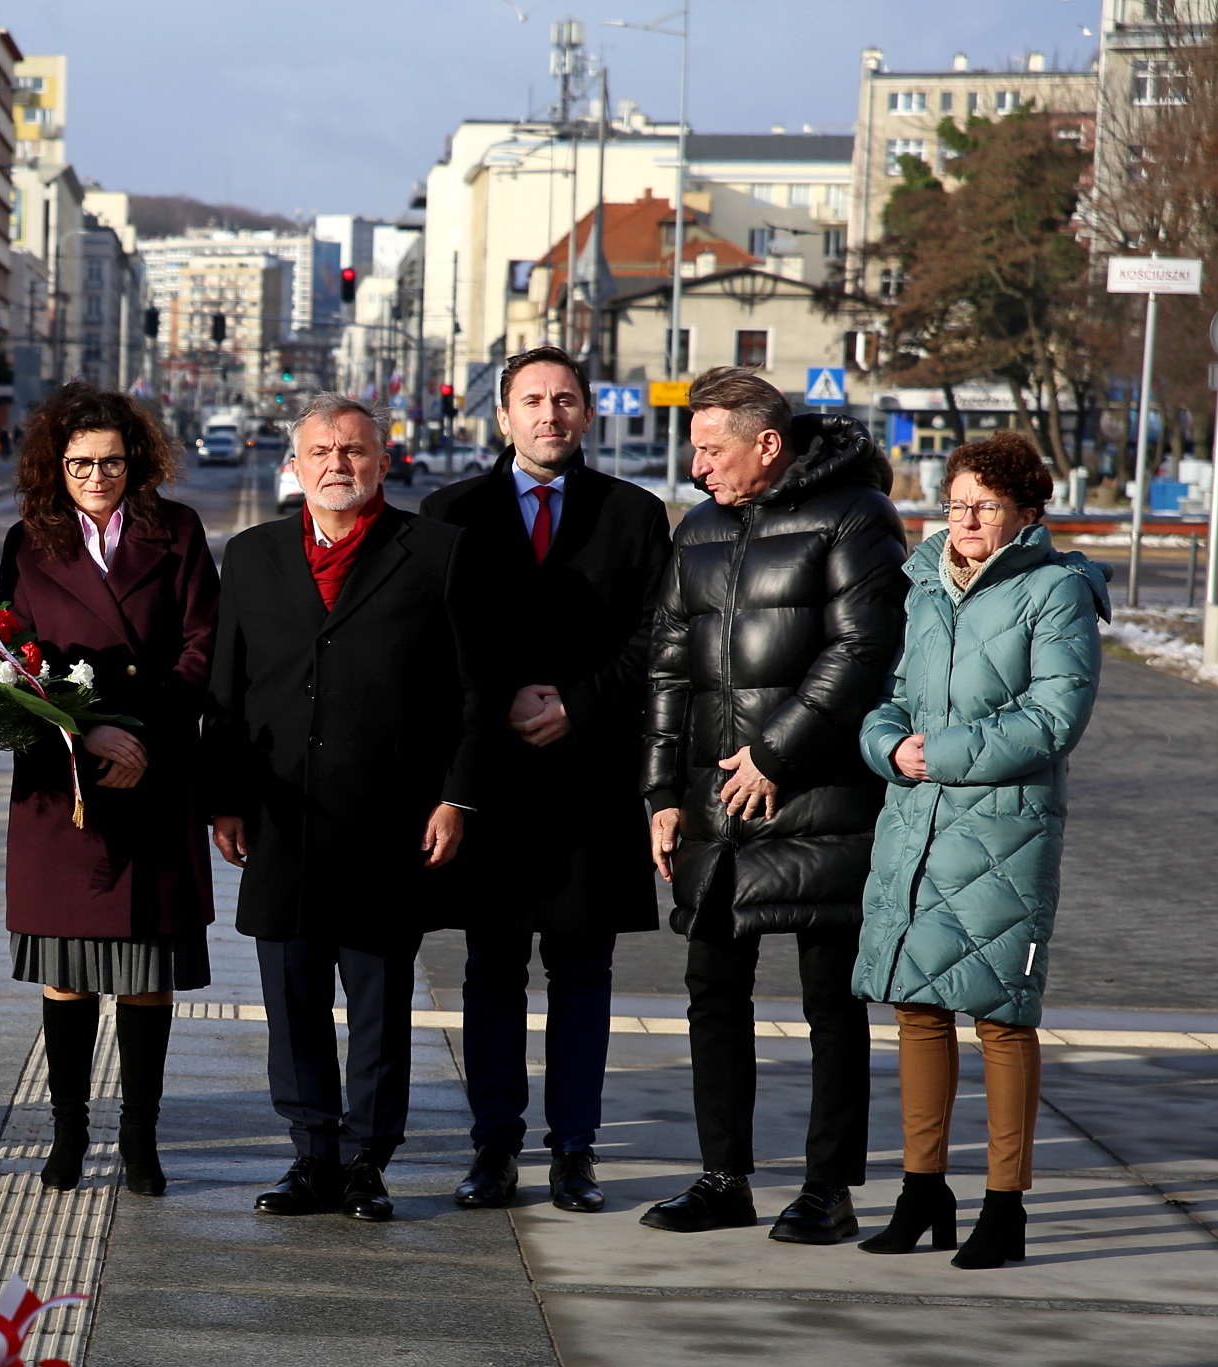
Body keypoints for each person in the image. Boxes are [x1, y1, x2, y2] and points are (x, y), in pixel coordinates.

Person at [640, 368, 907, 1242]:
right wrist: (659, 792)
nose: (696, 465)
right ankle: (723, 1176)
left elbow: (860, 651)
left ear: (766, 443)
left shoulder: (853, 515)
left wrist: (771, 753)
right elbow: (669, 668)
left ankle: (828, 1187)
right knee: (712, 990)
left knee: (831, 1001)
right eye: (692, 447)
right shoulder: (701, 526)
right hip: (715, 803)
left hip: (821, 796)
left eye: (710, 448)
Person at [207, 393, 478, 1224]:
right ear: (295, 464)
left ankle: (367, 1159)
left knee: (378, 1001)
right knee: (289, 997)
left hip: (386, 818)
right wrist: (222, 798)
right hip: (280, 818)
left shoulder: (435, 552)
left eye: (354, 450)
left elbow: (471, 693)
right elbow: (224, 689)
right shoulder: (251, 555)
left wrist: (455, 794)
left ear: (381, 461)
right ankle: (310, 1155)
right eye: (320, 450)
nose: (337, 464)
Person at [421, 345, 673, 1215]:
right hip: (487, 780)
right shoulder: (450, 513)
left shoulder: (634, 514)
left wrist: (578, 700)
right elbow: (436, 644)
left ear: (587, 413)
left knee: (582, 970)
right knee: (489, 970)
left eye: (565, 400)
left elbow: (655, 639)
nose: (549, 416)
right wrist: (498, 708)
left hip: (587, 778)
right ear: (501, 417)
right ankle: (493, 1146)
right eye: (531, 400)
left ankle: (575, 1149)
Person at [853, 434, 1105, 1270]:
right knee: (916, 1008)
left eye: (983, 505)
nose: (962, 518)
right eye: (955, 501)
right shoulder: (923, 586)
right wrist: (888, 748)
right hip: (915, 823)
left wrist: (940, 753)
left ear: (1025, 514)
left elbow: (1050, 720)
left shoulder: (1054, 591)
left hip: (1005, 831)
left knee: (1000, 1014)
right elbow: (891, 695)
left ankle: (1006, 1203)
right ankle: (921, 1188)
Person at [0, 383, 219, 1197]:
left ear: (137, 463)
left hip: (154, 772)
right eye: (81, 462)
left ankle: (139, 1139)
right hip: (64, 779)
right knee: (68, 969)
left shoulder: (177, 531)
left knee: (144, 968)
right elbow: (6, 659)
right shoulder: (27, 540)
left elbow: (202, 645)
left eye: (112, 461)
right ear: (57, 465)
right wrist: (83, 731)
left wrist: (145, 736)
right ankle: (66, 1133)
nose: (96, 475)